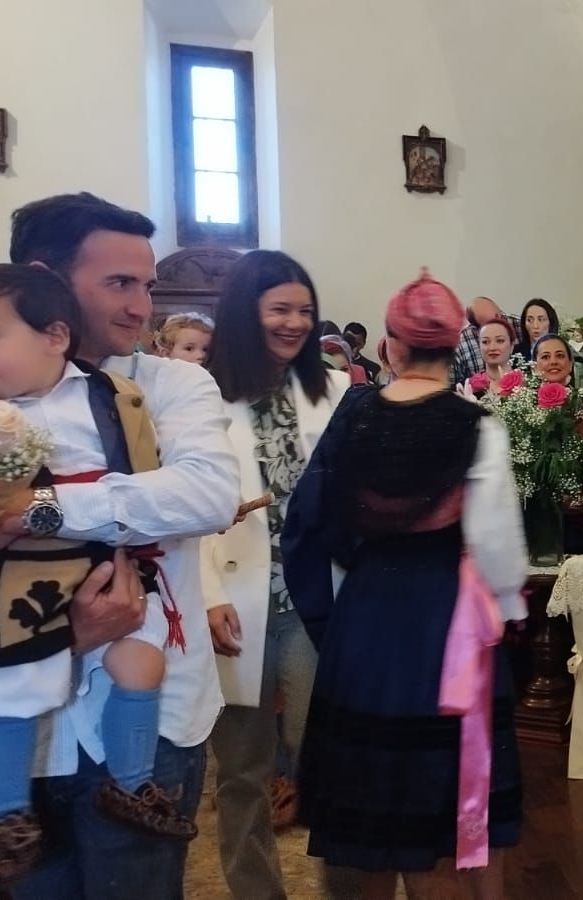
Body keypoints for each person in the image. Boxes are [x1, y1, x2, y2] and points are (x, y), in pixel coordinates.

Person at [0, 192, 239, 900]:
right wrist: (59, 631)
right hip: (19, 725)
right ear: (47, 278)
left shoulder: (170, 386)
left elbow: (205, 496)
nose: (142, 305)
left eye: (145, 284)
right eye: (120, 283)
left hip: (149, 714)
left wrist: (36, 511)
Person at [284, 271, 528, 899]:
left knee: (365, 781)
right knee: (444, 787)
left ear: (390, 346)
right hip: (448, 618)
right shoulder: (478, 427)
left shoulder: (354, 419)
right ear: (456, 348)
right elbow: (499, 551)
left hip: (365, 613)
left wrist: (336, 607)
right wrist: (505, 617)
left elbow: (312, 520)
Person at [203, 250, 350, 900]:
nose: (296, 322)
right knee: (242, 773)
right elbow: (182, 510)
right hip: (236, 602)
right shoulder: (202, 397)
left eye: (305, 310)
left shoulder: (337, 390)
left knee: (330, 762)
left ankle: (347, 886)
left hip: (317, 602)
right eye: (280, 309)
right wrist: (206, 594)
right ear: (244, 313)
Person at [450, 296, 506, 388]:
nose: (493, 347)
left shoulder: (520, 326)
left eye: (500, 316)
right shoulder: (460, 342)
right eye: (485, 341)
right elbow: (450, 386)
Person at [469, 316, 516, 395]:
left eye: (500, 341)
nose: (492, 348)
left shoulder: (527, 384)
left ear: (512, 345)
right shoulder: (470, 388)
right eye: (485, 342)